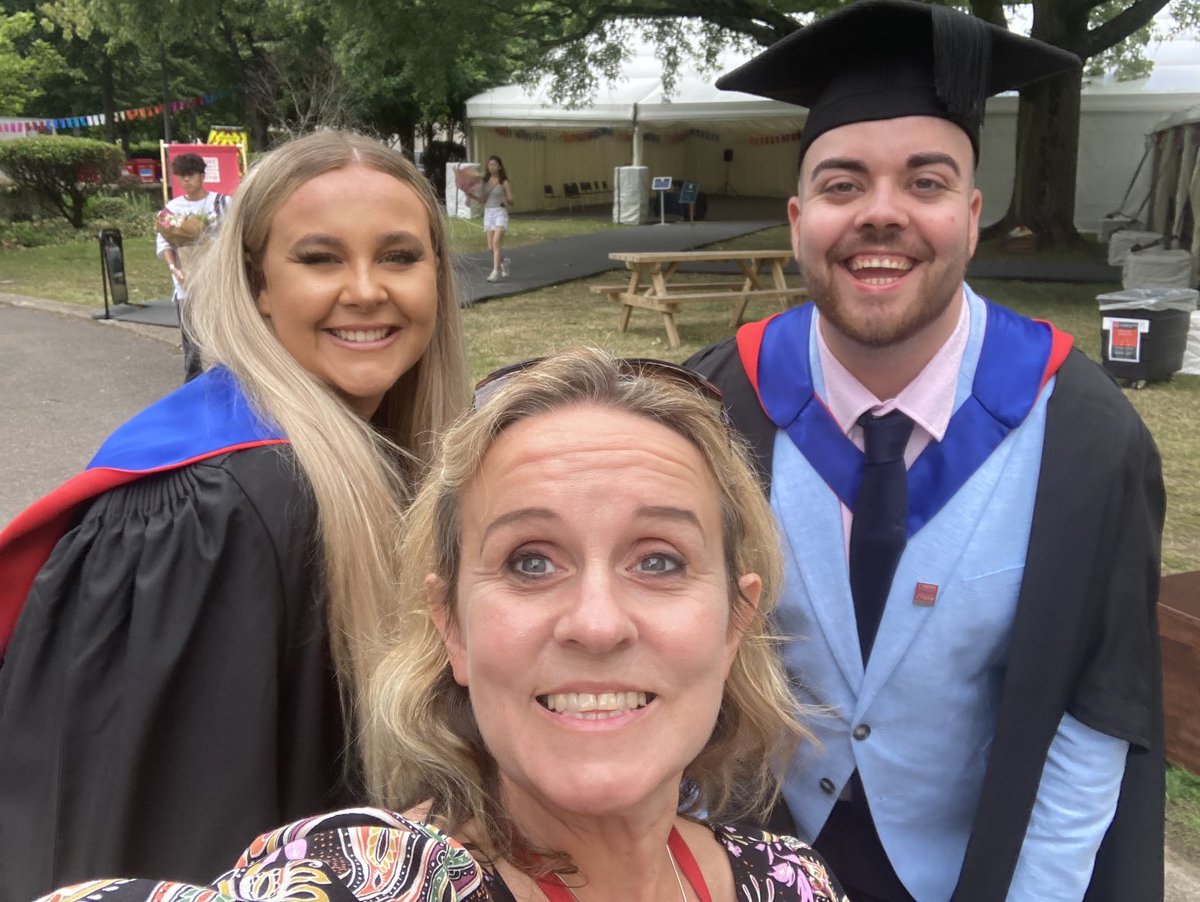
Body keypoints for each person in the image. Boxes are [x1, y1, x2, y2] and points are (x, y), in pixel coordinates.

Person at [32, 349, 850, 902]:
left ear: (736, 619)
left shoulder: (791, 882)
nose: (597, 624)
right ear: (451, 626)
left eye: (660, 560)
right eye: (531, 560)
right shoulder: (373, 878)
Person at [686, 3, 1166, 901]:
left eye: (925, 182)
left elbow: (1096, 710)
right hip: (746, 861)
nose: (881, 215)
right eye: (841, 185)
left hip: (984, 872)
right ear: (797, 219)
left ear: (973, 214)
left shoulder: (1085, 438)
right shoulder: (711, 408)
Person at [0, 130, 470, 900]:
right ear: (258, 286)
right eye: (319, 259)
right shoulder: (214, 510)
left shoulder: (380, 459)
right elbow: (162, 837)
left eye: (399, 256)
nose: (365, 289)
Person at [155, 152, 230, 380]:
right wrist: (173, 268)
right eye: (181, 176)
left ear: (201, 176)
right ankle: (193, 389)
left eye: (190, 175)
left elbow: (234, 237)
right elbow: (164, 241)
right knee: (192, 343)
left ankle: (226, 382)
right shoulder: (171, 209)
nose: (186, 180)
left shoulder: (222, 202)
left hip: (218, 283)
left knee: (222, 337)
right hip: (187, 283)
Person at [479, 154, 513, 282]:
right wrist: (471, 195)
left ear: (499, 167)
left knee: (496, 242)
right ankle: (503, 262)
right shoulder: (484, 182)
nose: (491, 167)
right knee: (490, 248)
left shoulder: (504, 182)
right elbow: (482, 200)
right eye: (489, 164)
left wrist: (507, 198)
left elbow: (511, 200)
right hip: (488, 213)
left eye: (494, 164)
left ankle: (495, 272)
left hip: (500, 212)